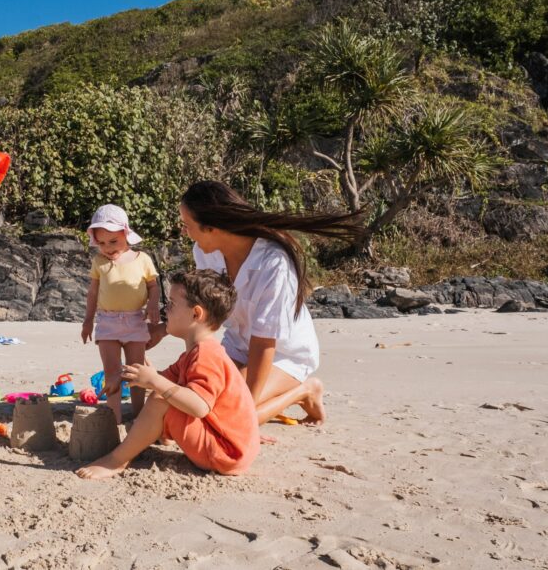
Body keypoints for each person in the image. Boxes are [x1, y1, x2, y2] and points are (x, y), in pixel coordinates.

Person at [147, 181, 363, 427]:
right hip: (238, 344)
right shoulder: (205, 251)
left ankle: (305, 390)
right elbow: (207, 307)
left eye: (187, 225)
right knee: (192, 400)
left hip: (283, 352)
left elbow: (265, 342)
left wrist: (245, 407)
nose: (185, 233)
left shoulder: (275, 264)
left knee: (228, 418)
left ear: (212, 228)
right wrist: (163, 329)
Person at [77, 269, 259, 479]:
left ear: (196, 314)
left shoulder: (206, 355)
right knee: (164, 391)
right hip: (227, 445)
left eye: (171, 304)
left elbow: (199, 406)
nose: (165, 310)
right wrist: (123, 376)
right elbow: (165, 377)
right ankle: (157, 433)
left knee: (159, 399)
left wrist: (155, 381)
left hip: (226, 452)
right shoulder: (195, 353)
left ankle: (116, 461)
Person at [81, 204, 160, 423]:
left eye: (113, 241)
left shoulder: (142, 259)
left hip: (136, 320)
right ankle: (113, 418)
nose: (107, 248)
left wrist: (153, 305)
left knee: (136, 372)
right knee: (112, 373)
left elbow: (153, 286)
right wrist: (87, 321)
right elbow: (93, 293)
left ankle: (138, 414)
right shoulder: (99, 262)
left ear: (126, 234)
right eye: (101, 243)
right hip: (107, 322)